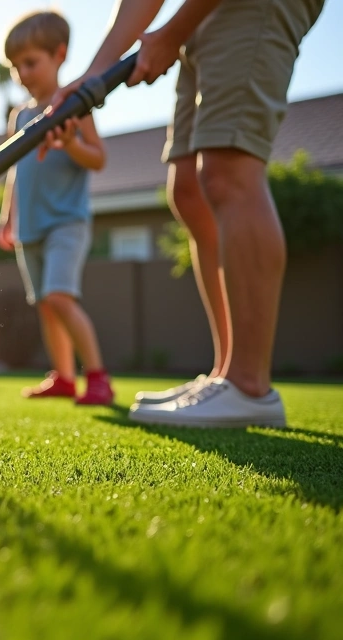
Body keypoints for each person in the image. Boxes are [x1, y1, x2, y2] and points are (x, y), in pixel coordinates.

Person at [51, 0, 324, 428]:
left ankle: (249, 385)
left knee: (227, 171)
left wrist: (173, 31)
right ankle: (225, 375)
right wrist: (94, 74)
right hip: (206, 15)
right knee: (189, 189)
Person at [0, 11, 115, 406]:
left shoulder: (74, 107)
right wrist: (7, 218)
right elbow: (16, 171)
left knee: (61, 297)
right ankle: (64, 377)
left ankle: (97, 377)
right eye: (15, 66)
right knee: (46, 304)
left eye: (31, 62)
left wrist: (71, 145)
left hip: (66, 222)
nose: (23, 73)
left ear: (59, 54)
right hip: (29, 227)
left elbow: (98, 159)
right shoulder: (21, 115)